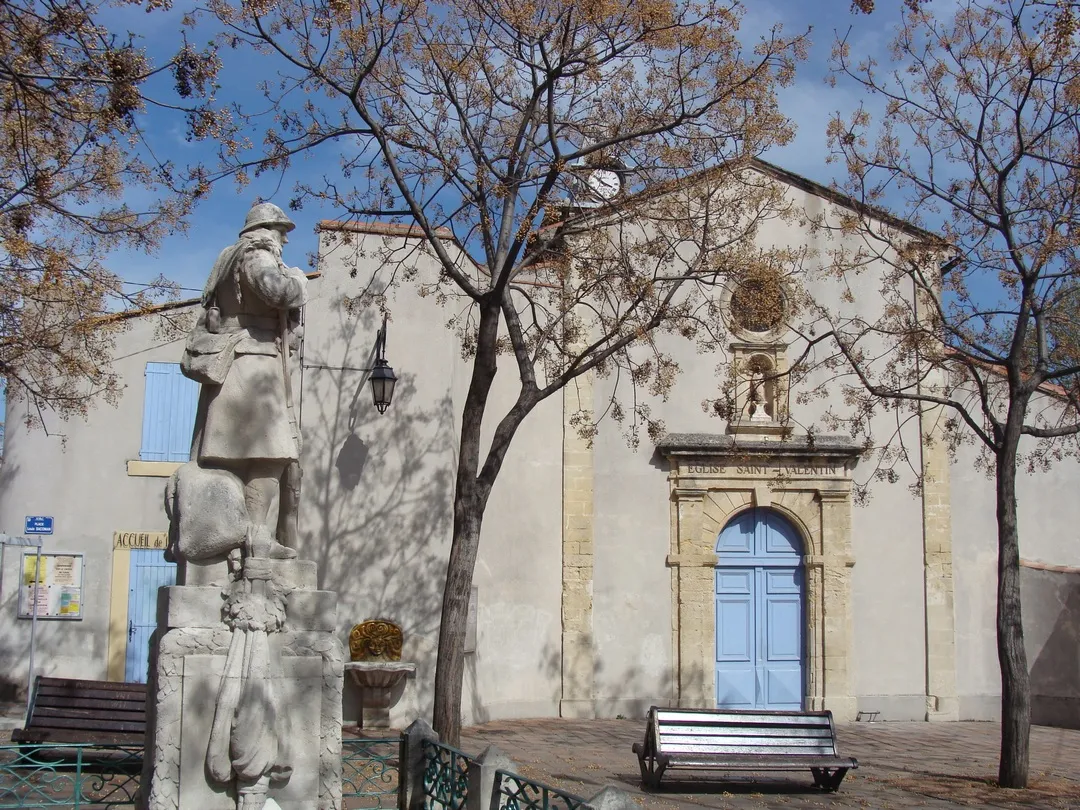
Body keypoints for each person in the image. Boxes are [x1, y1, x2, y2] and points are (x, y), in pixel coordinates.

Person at [186, 201, 308, 560]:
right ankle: (255, 535)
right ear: (266, 228)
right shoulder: (256, 255)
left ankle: (239, 538)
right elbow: (279, 292)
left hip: (242, 361)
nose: (284, 240)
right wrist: (299, 280)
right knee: (273, 453)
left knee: (239, 458)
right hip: (253, 363)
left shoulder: (227, 259)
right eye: (282, 232)